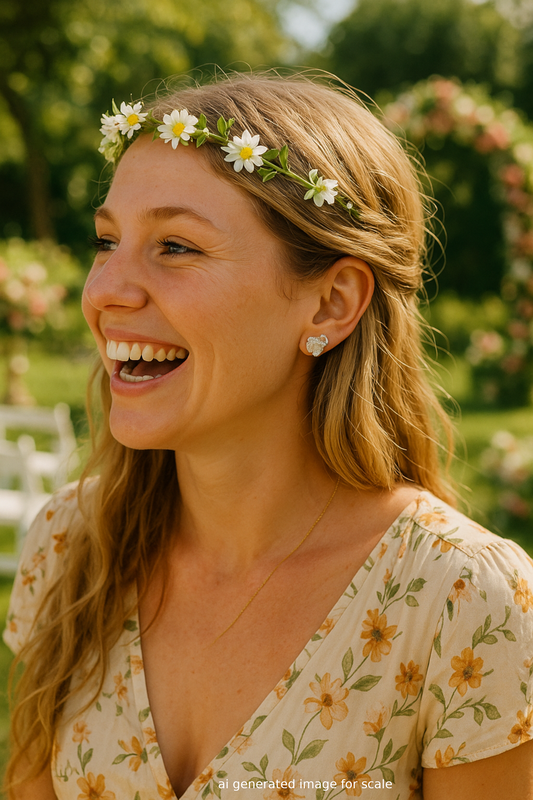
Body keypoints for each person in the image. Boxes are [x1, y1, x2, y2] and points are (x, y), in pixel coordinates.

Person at [4, 72, 533, 800]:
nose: (103, 292)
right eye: (106, 240)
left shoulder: (460, 602)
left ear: (330, 302)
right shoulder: (70, 546)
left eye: (177, 247)